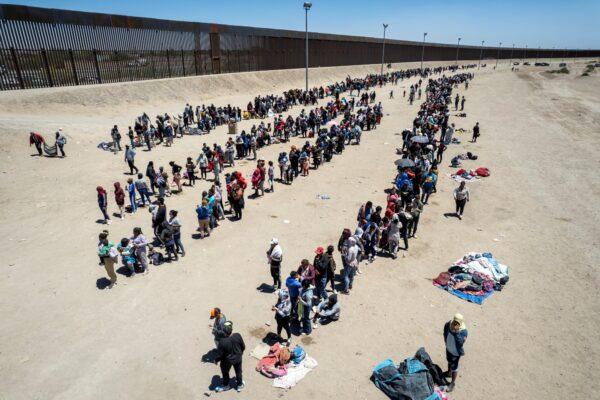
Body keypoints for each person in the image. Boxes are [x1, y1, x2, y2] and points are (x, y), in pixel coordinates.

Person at [214, 321, 245, 393]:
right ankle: (240, 385)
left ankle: (226, 385)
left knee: (225, 372)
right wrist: (240, 353)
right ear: (231, 329)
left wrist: (216, 360)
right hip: (238, 357)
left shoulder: (222, 342)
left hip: (227, 361)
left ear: (224, 331)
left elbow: (220, 355)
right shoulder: (238, 335)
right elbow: (243, 346)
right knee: (238, 371)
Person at [444, 314, 468, 392]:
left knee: (454, 366)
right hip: (448, 348)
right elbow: (445, 331)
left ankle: (452, 383)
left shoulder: (463, 331)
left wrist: (456, 333)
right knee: (449, 360)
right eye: (455, 321)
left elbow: (460, 343)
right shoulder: (448, 324)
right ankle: (448, 373)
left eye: (457, 323)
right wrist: (446, 342)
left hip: (455, 352)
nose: (455, 324)